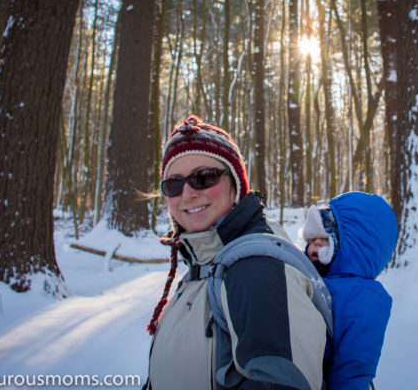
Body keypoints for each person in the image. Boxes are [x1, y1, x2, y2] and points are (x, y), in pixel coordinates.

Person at [144, 116, 327, 390]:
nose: (187, 194)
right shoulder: (203, 266)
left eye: (203, 178)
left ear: (237, 186)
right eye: (173, 183)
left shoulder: (255, 270)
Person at [302, 191, 398, 390]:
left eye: (322, 239)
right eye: (311, 240)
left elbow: (353, 368)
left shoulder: (365, 297)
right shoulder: (312, 279)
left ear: (356, 243)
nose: (313, 247)